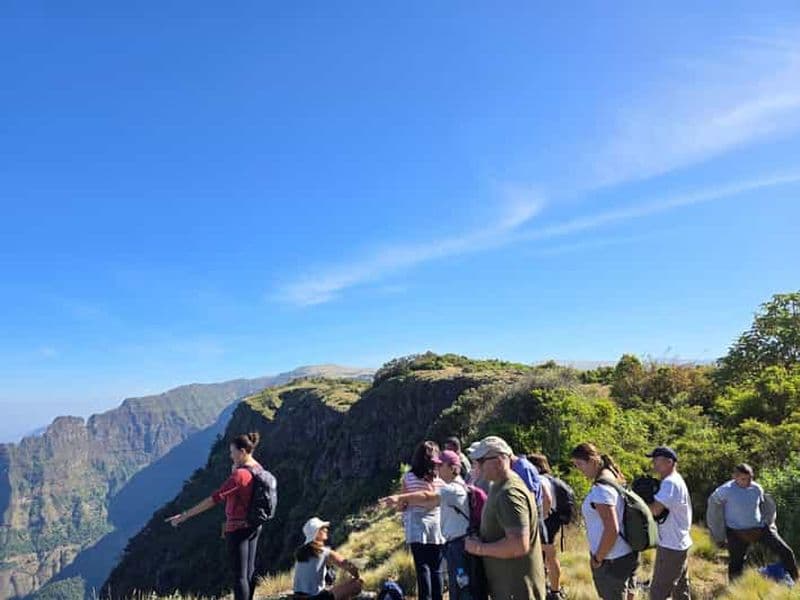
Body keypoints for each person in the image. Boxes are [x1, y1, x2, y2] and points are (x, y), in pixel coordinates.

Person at [166, 432, 268, 600]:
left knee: (239, 576)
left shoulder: (240, 475)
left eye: (232, 452)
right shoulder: (258, 468)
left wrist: (184, 516)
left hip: (238, 528)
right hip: (254, 524)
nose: (230, 456)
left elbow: (214, 499)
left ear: (242, 452)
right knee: (249, 572)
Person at [381, 450, 478, 600]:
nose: (437, 468)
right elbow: (428, 501)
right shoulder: (457, 485)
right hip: (451, 540)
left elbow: (427, 498)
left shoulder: (451, 489)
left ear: (452, 468)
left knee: (461, 589)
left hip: (457, 545)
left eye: (441, 465)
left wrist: (399, 498)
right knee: (445, 576)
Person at [464, 436, 546, 600]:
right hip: (507, 588)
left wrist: (478, 548)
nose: (477, 466)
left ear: (499, 460)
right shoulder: (498, 485)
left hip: (517, 590)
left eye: (481, 461)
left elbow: (518, 545)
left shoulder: (509, 493)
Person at [707, 463, 798, 582]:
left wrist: (769, 522)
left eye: (750, 478)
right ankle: (734, 588)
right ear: (735, 477)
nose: (747, 482)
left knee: (786, 552)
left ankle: (796, 581)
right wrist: (718, 534)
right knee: (736, 562)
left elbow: (766, 505)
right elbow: (713, 506)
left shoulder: (756, 488)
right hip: (736, 531)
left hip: (760, 528)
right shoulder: (725, 490)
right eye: (743, 479)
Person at [570, 443, 638, 600]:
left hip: (611, 560)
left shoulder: (601, 489)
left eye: (579, 464)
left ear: (592, 461)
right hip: (626, 553)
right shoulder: (612, 477)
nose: (578, 469)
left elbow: (612, 529)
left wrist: (597, 559)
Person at [399, 441, 446, 600]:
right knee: (436, 568)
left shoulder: (409, 477)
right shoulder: (439, 478)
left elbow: (402, 503)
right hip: (437, 525)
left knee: (422, 567)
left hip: (416, 526)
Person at [643, 447, 692, 600]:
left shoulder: (670, 483)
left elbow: (655, 510)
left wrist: (639, 502)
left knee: (658, 592)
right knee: (680, 591)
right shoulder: (675, 480)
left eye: (656, 460)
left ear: (669, 462)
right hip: (679, 542)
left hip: (671, 545)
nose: (653, 464)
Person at [292, 517, 363, 600]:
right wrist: (356, 576)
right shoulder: (323, 551)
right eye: (323, 528)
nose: (326, 530)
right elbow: (347, 565)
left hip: (298, 597)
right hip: (316, 598)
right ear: (317, 533)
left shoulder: (300, 553)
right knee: (357, 584)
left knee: (334, 589)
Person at [528, 454, 564, 600]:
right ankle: (550, 588)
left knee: (549, 555)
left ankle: (554, 591)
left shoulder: (540, 479)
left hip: (546, 521)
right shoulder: (550, 479)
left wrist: (540, 518)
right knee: (547, 556)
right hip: (553, 519)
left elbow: (547, 499)